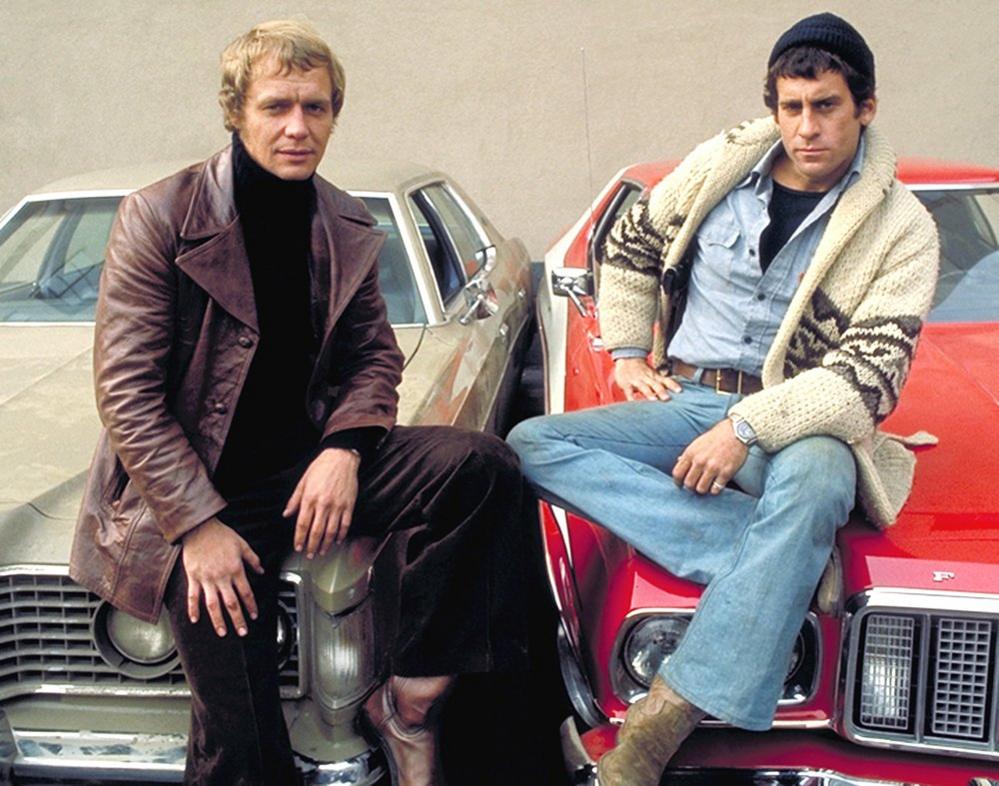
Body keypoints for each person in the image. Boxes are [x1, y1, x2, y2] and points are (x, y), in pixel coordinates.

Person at [70, 19, 525, 786]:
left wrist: (344, 449)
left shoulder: (344, 220)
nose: (297, 126)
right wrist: (197, 525)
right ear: (236, 112)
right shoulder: (160, 216)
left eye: (315, 108)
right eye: (277, 106)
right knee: (242, 737)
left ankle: (409, 696)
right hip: (199, 487)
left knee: (483, 468)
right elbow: (127, 394)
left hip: (307, 460)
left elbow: (373, 358)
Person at [508, 12, 938, 786]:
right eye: (790, 107)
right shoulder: (720, 170)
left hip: (802, 419)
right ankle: (784, 563)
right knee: (529, 444)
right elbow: (631, 242)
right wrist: (631, 350)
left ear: (864, 108)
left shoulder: (901, 227)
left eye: (826, 107)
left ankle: (657, 725)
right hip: (689, 395)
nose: (805, 128)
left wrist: (744, 427)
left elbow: (865, 380)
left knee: (813, 480)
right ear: (773, 107)